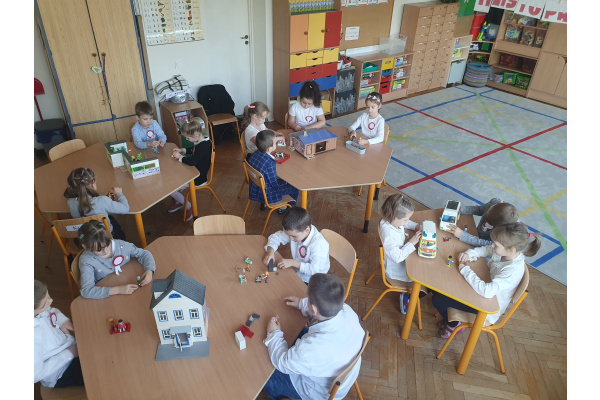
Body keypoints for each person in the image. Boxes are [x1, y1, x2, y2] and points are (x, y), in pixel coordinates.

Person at [263, 273, 365, 400]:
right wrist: (302, 304)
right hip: (341, 369)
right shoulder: (348, 312)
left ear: (314, 309)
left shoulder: (311, 349)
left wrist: (274, 334)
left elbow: (282, 362)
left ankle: (276, 395)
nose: (306, 299)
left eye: (308, 299)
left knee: (265, 375)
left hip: (317, 391)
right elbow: (322, 311)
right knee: (294, 333)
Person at [433, 222, 541, 339]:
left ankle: (453, 324)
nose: (492, 246)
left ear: (510, 249)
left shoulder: (511, 271)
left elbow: (487, 291)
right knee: (443, 286)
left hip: (486, 310)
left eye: (496, 245)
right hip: (483, 291)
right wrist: (469, 254)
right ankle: (450, 318)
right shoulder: (506, 253)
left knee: (438, 299)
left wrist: (466, 270)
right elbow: (486, 250)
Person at [77, 220, 155, 299]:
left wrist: (149, 270)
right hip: (109, 294)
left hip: (128, 283)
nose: (105, 251)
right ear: (85, 247)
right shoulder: (86, 261)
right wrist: (118, 290)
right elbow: (86, 290)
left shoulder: (121, 246)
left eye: (107, 245)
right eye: (98, 250)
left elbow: (144, 254)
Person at [379, 194, 425, 314]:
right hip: (397, 271)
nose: (407, 221)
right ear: (395, 217)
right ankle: (408, 296)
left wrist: (416, 226)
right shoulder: (389, 235)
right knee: (426, 280)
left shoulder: (390, 220)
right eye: (405, 219)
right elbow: (398, 257)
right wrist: (412, 242)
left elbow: (405, 223)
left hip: (401, 259)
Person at [34, 280, 84, 388]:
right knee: (99, 372)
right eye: (45, 303)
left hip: (68, 346)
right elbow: (36, 374)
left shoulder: (38, 308)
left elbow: (50, 310)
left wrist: (62, 321)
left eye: (48, 295)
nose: (51, 300)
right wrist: (70, 353)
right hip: (60, 372)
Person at [263, 207, 329, 284]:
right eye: (289, 236)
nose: (291, 239)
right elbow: (276, 237)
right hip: (298, 272)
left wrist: (293, 263)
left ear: (307, 230)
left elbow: (316, 270)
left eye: (294, 236)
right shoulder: (297, 230)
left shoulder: (318, 244)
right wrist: (270, 252)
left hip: (312, 281)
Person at [64, 167, 129, 240]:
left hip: (86, 238)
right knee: (112, 220)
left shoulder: (70, 202)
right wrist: (119, 194)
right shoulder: (102, 201)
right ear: (92, 184)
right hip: (106, 237)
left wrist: (101, 198)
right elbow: (125, 208)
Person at [170, 119, 213, 220]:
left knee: (171, 189)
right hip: (193, 172)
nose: (186, 139)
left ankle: (189, 206)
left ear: (195, 135)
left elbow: (192, 162)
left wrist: (180, 157)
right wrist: (182, 150)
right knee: (173, 180)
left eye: (187, 137)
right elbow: (193, 150)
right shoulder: (201, 140)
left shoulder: (204, 145)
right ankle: (180, 201)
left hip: (198, 177)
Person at [248, 130, 299, 213]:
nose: (276, 143)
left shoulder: (253, 155)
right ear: (269, 148)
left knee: (285, 181)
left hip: (256, 189)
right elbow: (274, 185)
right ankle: (288, 210)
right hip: (269, 194)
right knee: (295, 187)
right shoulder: (270, 163)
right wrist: (284, 181)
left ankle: (265, 204)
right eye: (275, 142)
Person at [446, 198, 519, 247]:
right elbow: (480, 210)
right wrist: (464, 209)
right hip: (474, 236)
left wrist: (463, 236)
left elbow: (490, 246)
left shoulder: (507, 234)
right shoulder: (494, 202)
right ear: (500, 203)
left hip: (482, 247)